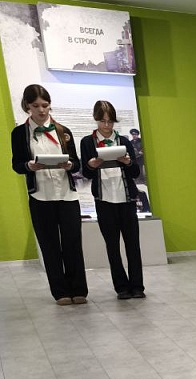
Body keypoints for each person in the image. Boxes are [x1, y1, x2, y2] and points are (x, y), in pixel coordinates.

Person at [11, 84, 87, 305]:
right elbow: (17, 165)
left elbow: (77, 163)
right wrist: (29, 166)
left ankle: (78, 289)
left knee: (73, 243)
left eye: (45, 105)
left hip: (67, 195)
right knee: (49, 245)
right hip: (40, 196)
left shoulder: (63, 130)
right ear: (27, 106)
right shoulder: (19, 133)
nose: (41, 110)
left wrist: (70, 165)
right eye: (36, 106)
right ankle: (60, 292)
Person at [79, 100, 144, 300]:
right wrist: (91, 165)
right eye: (103, 121)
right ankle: (121, 287)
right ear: (96, 120)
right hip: (104, 200)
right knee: (112, 245)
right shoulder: (87, 142)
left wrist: (128, 162)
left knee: (133, 244)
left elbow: (135, 172)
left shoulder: (123, 140)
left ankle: (137, 286)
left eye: (110, 121)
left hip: (126, 198)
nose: (107, 126)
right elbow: (86, 174)